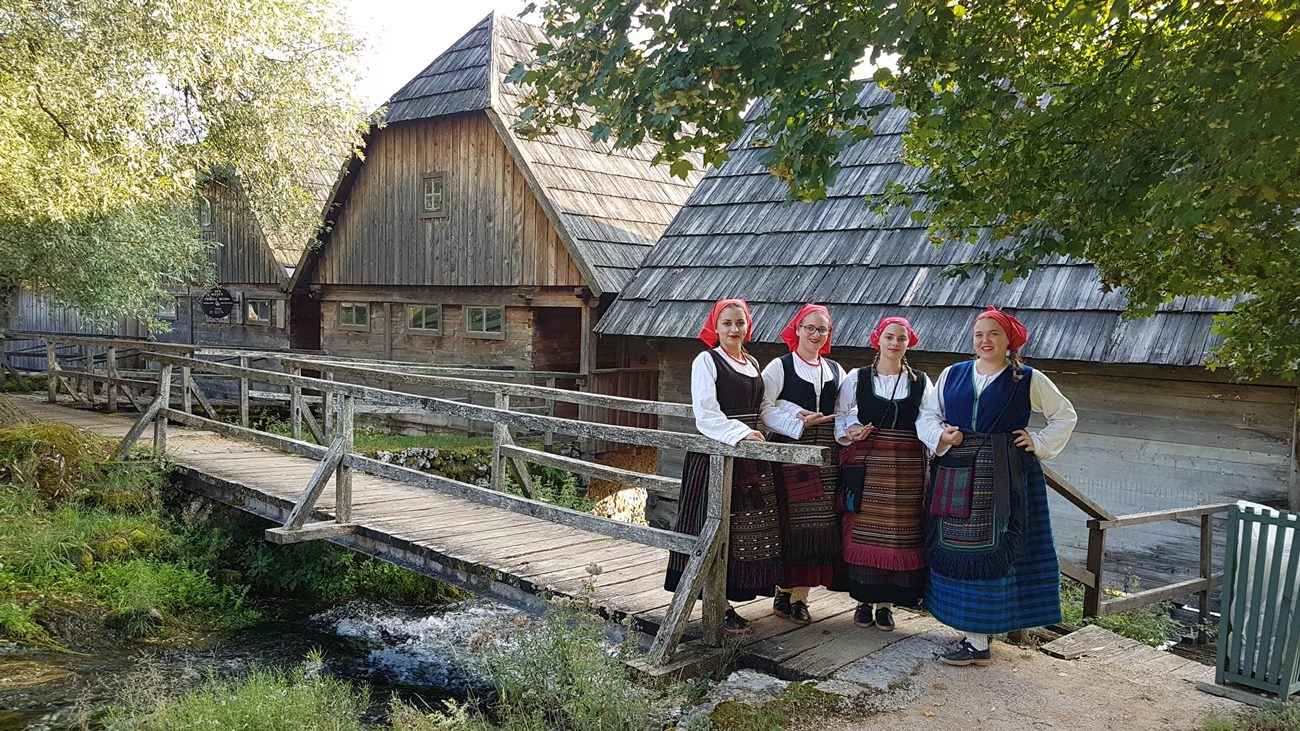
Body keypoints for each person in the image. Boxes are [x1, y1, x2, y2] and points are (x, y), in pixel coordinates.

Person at [916, 307, 1077, 666]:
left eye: (993, 334)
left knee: (992, 551)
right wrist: (942, 435)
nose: (985, 340)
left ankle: (978, 643)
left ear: (1009, 341)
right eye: (979, 334)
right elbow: (927, 415)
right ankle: (971, 633)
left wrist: (1038, 442)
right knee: (956, 551)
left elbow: (1064, 415)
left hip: (1004, 473)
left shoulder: (1027, 378)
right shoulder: (953, 373)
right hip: (956, 468)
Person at [664, 299, 782, 635]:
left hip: (749, 454)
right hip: (717, 453)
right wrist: (741, 433)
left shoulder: (752, 362)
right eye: (727, 323)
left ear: (748, 327)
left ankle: (728, 597)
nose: (734, 329)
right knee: (713, 525)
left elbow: (760, 408)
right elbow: (706, 414)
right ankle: (718, 604)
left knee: (741, 531)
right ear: (715, 326)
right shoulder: (706, 360)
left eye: (740, 323)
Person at [833, 317, 933, 632]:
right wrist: (851, 428)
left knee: (899, 537)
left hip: (907, 469)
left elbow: (929, 419)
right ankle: (864, 601)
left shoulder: (921, 382)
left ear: (908, 343)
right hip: (868, 464)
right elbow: (841, 414)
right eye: (889, 337)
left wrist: (940, 439)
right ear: (878, 339)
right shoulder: (857, 378)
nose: (895, 343)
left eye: (901, 338)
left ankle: (887, 605)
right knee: (863, 530)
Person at [760, 304, 845, 625]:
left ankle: (800, 597)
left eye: (822, 329)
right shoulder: (780, 366)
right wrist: (795, 420)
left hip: (825, 455)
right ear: (797, 330)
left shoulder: (836, 370)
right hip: (789, 452)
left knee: (818, 527)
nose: (815, 334)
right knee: (790, 524)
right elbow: (763, 407)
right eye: (809, 327)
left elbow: (845, 409)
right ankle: (783, 591)